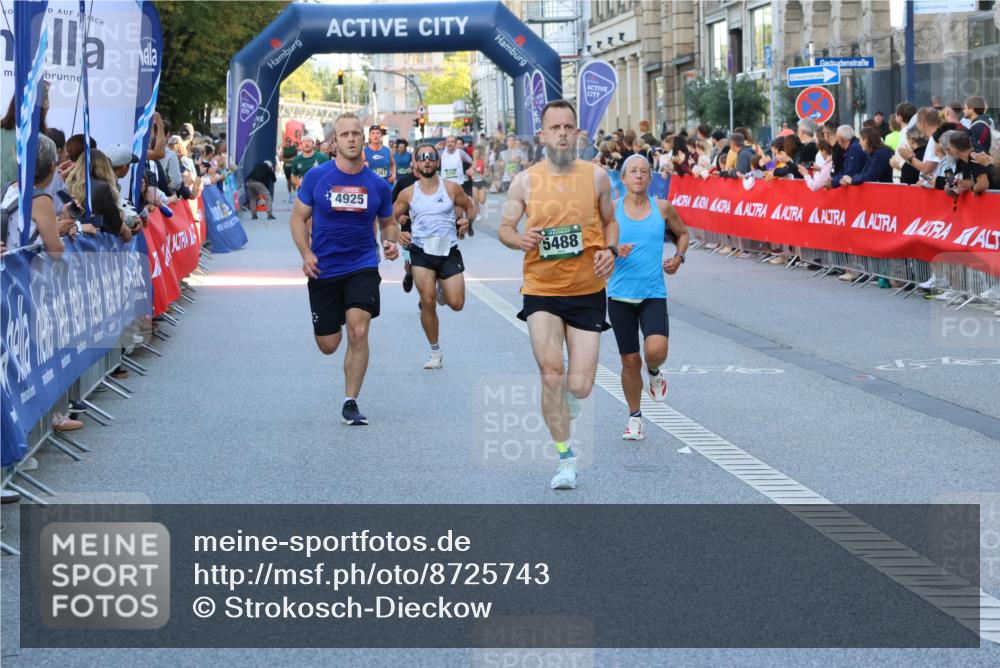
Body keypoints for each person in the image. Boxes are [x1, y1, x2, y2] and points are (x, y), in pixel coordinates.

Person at [497, 100, 619, 491]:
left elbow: (610, 222)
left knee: (579, 385)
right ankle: (566, 458)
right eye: (556, 128)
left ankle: (571, 400)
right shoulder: (526, 181)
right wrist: (519, 239)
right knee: (551, 372)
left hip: (587, 291)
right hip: (542, 291)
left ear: (577, 132)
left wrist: (610, 251)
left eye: (569, 126)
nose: (563, 133)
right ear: (544, 134)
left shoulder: (597, 177)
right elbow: (505, 227)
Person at [288, 113, 400, 426]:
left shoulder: (377, 185)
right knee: (329, 344)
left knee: (359, 328)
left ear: (364, 140)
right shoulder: (317, 178)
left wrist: (391, 243)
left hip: (362, 264)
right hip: (324, 268)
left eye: (356, 134)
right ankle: (331, 322)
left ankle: (350, 401)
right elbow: (297, 218)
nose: (351, 139)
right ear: (334, 142)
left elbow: (389, 223)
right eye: (345, 135)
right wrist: (306, 253)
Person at [608, 155, 688, 441]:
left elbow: (683, 234)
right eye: (633, 171)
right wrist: (614, 249)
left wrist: (678, 257)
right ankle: (635, 417)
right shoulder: (611, 211)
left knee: (656, 352)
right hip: (619, 295)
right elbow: (596, 246)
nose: (639, 176)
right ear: (624, 178)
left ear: (650, 178)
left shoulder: (663, 209)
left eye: (644, 171)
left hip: (653, 292)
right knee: (630, 361)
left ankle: (654, 371)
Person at [392, 144, 476, 369]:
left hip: (448, 251)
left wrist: (468, 221)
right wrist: (399, 232)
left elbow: (470, 207)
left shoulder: (451, 188)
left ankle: (442, 289)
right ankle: (435, 352)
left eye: (431, 157)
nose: (427, 161)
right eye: (422, 158)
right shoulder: (408, 192)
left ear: (437, 162)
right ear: (416, 164)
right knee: (426, 301)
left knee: (457, 304)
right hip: (421, 252)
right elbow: (389, 217)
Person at [281, 136, 298, 202]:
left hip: (293, 166)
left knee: (293, 180)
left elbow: (296, 157)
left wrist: (287, 160)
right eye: (287, 141)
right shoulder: (283, 149)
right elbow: (280, 158)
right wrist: (289, 159)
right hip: (286, 167)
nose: (289, 142)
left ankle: (295, 193)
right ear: (286, 142)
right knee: (288, 181)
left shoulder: (294, 148)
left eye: (290, 141)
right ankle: (290, 195)